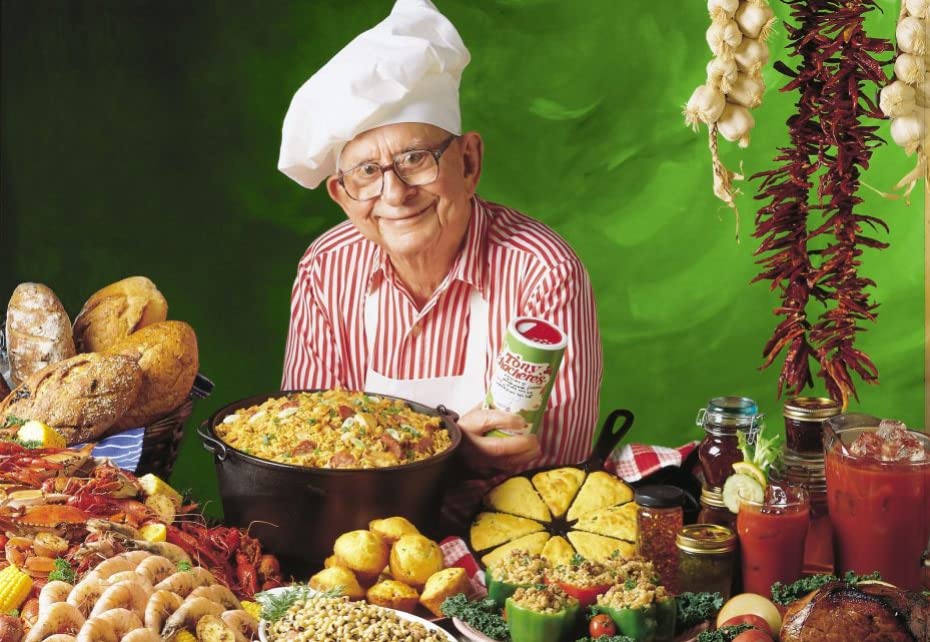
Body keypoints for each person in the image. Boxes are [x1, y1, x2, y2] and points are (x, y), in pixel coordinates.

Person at [278, 0, 602, 523]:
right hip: (357, 542)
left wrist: (419, 455)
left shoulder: (542, 270)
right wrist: (452, 451)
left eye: (414, 159)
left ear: (469, 161)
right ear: (341, 194)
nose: (395, 194)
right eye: (366, 172)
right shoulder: (326, 268)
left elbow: (555, 466)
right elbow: (304, 451)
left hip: (507, 540)